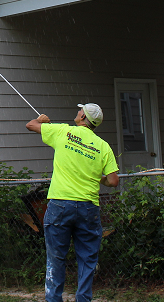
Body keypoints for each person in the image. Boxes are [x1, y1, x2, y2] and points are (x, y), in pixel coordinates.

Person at [26, 103, 119, 302]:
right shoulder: (103, 146)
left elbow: (30, 125)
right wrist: (99, 178)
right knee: (87, 259)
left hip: (60, 205)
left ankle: (54, 299)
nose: (77, 112)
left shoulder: (63, 132)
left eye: (80, 110)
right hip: (88, 207)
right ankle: (83, 299)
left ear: (83, 117)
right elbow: (113, 180)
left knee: (56, 259)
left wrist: (42, 120)